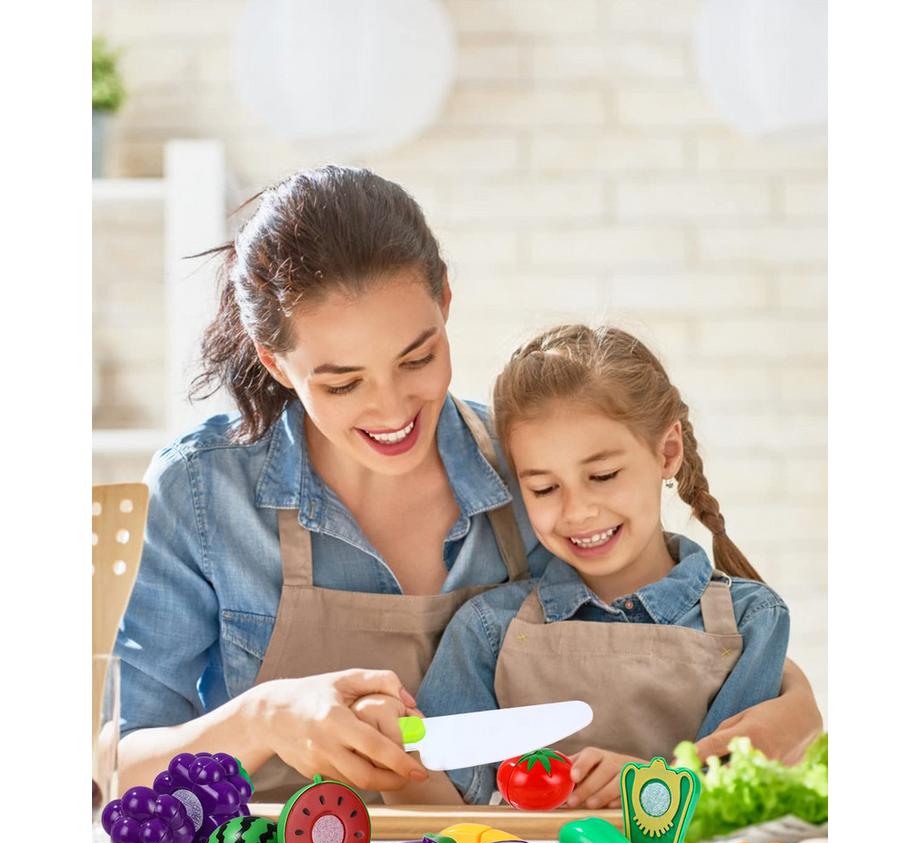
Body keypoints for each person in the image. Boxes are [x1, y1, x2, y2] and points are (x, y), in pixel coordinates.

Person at [114, 167, 822, 801]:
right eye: (343, 382)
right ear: (275, 362)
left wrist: (791, 698)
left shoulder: (531, 474)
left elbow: (654, 627)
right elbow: (120, 766)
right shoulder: (202, 492)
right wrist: (264, 716)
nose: (391, 409)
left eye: (417, 358)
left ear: (446, 300)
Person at [409, 324, 806, 807]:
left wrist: (643, 784)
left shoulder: (753, 621)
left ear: (667, 452)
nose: (577, 511)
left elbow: (737, 798)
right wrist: (390, 752)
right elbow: (437, 806)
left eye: (602, 475)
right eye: (544, 488)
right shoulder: (487, 630)